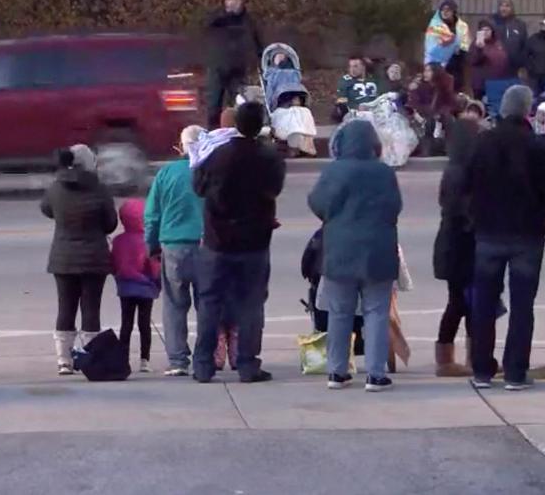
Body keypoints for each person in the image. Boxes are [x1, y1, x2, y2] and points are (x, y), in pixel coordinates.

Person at [467, 85, 545, 390]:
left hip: (489, 231)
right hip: (527, 234)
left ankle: (481, 369)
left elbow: (465, 185)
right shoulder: (538, 146)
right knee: (522, 306)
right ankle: (516, 371)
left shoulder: (483, 143)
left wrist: (472, 216)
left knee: (484, 304)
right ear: (528, 110)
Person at [191, 102, 285, 383]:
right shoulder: (269, 157)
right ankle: (247, 363)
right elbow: (274, 189)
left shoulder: (218, 155)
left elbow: (198, 186)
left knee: (209, 302)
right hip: (254, 241)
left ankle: (203, 364)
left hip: (217, 241)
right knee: (252, 303)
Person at [308, 120, 403, 392]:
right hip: (378, 251)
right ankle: (375, 374)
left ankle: (337, 372)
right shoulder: (385, 173)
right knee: (376, 312)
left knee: (339, 312)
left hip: (340, 250)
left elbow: (317, 202)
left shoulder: (334, 172)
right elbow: (395, 207)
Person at [40, 144, 117, 375]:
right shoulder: (100, 189)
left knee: (66, 307)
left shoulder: (56, 187)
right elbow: (110, 223)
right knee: (91, 309)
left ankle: (64, 360)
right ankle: (90, 356)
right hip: (94, 257)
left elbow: (46, 209)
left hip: (63, 257)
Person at [144, 125, 205, 377]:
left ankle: (178, 359)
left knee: (174, 304)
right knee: (207, 304)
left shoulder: (166, 174)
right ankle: (205, 357)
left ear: (180, 146)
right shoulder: (209, 172)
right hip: (206, 245)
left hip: (173, 245)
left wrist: (151, 246)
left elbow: (152, 215)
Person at [432, 117, 480, 377]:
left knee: (459, 302)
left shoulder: (453, 168)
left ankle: (449, 356)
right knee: (466, 303)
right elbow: (463, 209)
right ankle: (468, 358)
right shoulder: (465, 172)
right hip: (463, 245)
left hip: (451, 244)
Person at [111, 198, 160, 373]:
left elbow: (113, 263)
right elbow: (154, 266)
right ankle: (144, 359)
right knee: (144, 324)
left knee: (126, 324)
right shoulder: (148, 241)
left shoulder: (118, 241)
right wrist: (157, 282)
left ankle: (123, 357)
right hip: (146, 288)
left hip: (125, 287)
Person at [203, 0, 263, 130]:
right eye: (227, 0)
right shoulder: (218, 18)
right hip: (218, 66)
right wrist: (226, 15)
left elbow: (258, 41)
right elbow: (207, 24)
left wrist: (263, 59)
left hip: (238, 69)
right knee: (214, 105)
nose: (229, 3)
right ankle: (213, 134)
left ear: (240, 1)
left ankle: (236, 133)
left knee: (238, 103)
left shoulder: (248, 21)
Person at [409, 64, 458, 157]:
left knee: (448, 120)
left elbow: (451, 103)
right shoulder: (418, 86)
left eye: (429, 71)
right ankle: (426, 150)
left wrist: (441, 112)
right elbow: (414, 104)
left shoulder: (443, 86)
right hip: (421, 114)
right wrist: (431, 112)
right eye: (425, 71)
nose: (425, 73)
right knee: (429, 122)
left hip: (440, 114)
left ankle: (450, 150)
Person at [424, 0, 471, 91]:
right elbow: (430, 46)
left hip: (456, 66)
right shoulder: (435, 26)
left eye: (448, 10)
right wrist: (445, 44)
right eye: (442, 9)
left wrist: (459, 49)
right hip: (436, 66)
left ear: (454, 11)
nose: (445, 12)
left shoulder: (462, 26)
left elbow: (466, 45)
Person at [469, 20, 514, 101]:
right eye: (483, 30)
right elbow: (473, 60)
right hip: (481, 84)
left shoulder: (498, 43)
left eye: (487, 30)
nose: (485, 32)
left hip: (497, 83)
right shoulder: (475, 44)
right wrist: (479, 49)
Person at [491, 0, 530, 72]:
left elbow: (524, 46)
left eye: (507, 6)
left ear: (512, 8)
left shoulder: (520, 24)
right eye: (502, 5)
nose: (504, 9)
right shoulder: (491, 23)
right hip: (494, 67)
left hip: (514, 68)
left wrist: (522, 64)